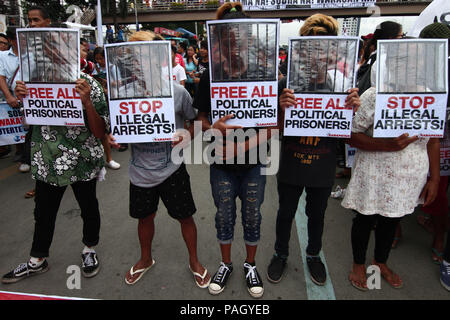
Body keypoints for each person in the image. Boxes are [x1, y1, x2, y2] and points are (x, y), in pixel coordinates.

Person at [1, 34, 110, 283]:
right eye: (48, 53)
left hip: (82, 160)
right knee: (43, 212)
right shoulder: (31, 84)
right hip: (47, 160)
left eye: (59, 52)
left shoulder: (89, 85)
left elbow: (100, 131)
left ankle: (89, 249)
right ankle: (37, 260)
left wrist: (86, 104)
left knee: (88, 207)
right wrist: (22, 99)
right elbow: (28, 122)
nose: (54, 57)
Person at [266, 14, 360, 287]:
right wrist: (281, 109)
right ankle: (280, 253)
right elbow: (275, 128)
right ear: (301, 51)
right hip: (292, 161)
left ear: (333, 52)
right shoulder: (287, 85)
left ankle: (313, 254)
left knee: (316, 215)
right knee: (285, 212)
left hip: (324, 163)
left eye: (324, 49)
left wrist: (353, 107)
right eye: (311, 48)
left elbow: (349, 131)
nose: (317, 55)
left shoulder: (344, 86)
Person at [342, 40, 440, 290]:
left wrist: (435, 179)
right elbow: (351, 134)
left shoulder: (430, 95)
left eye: (419, 60)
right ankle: (357, 264)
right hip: (374, 173)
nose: (414, 65)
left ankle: (380, 262)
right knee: (364, 219)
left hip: (409, 176)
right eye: (407, 60)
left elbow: (433, 140)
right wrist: (386, 145)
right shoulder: (375, 94)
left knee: (391, 220)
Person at [194, 2, 276, 298]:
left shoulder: (265, 75)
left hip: (255, 163)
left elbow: (275, 124)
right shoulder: (210, 77)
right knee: (224, 215)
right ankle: (226, 263)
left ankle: (250, 265)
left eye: (241, 35)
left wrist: (245, 145)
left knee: (252, 215)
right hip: (221, 164)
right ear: (220, 39)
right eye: (228, 36)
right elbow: (200, 119)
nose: (235, 41)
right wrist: (212, 127)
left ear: (250, 37)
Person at [121, 31, 210, 289]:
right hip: (139, 173)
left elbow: (196, 122)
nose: (138, 61)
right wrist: (114, 137)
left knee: (186, 217)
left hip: (172, 169)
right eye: (133, 56)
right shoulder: (123, 93)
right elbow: (116, 129)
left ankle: (194, 260)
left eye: (144, 55)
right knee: (144, 218)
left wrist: (186, 136)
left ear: (159, 59)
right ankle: (145, 259)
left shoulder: (178, 92)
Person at [92, 46, 121, 170]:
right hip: (97, 99)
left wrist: (108, 82)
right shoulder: (94, 68)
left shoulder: (112, 67)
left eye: (101, 58)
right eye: (97, 59)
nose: (99, 61)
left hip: (110, 97)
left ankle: (113, 145)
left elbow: (119, 82)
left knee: (109, 122)